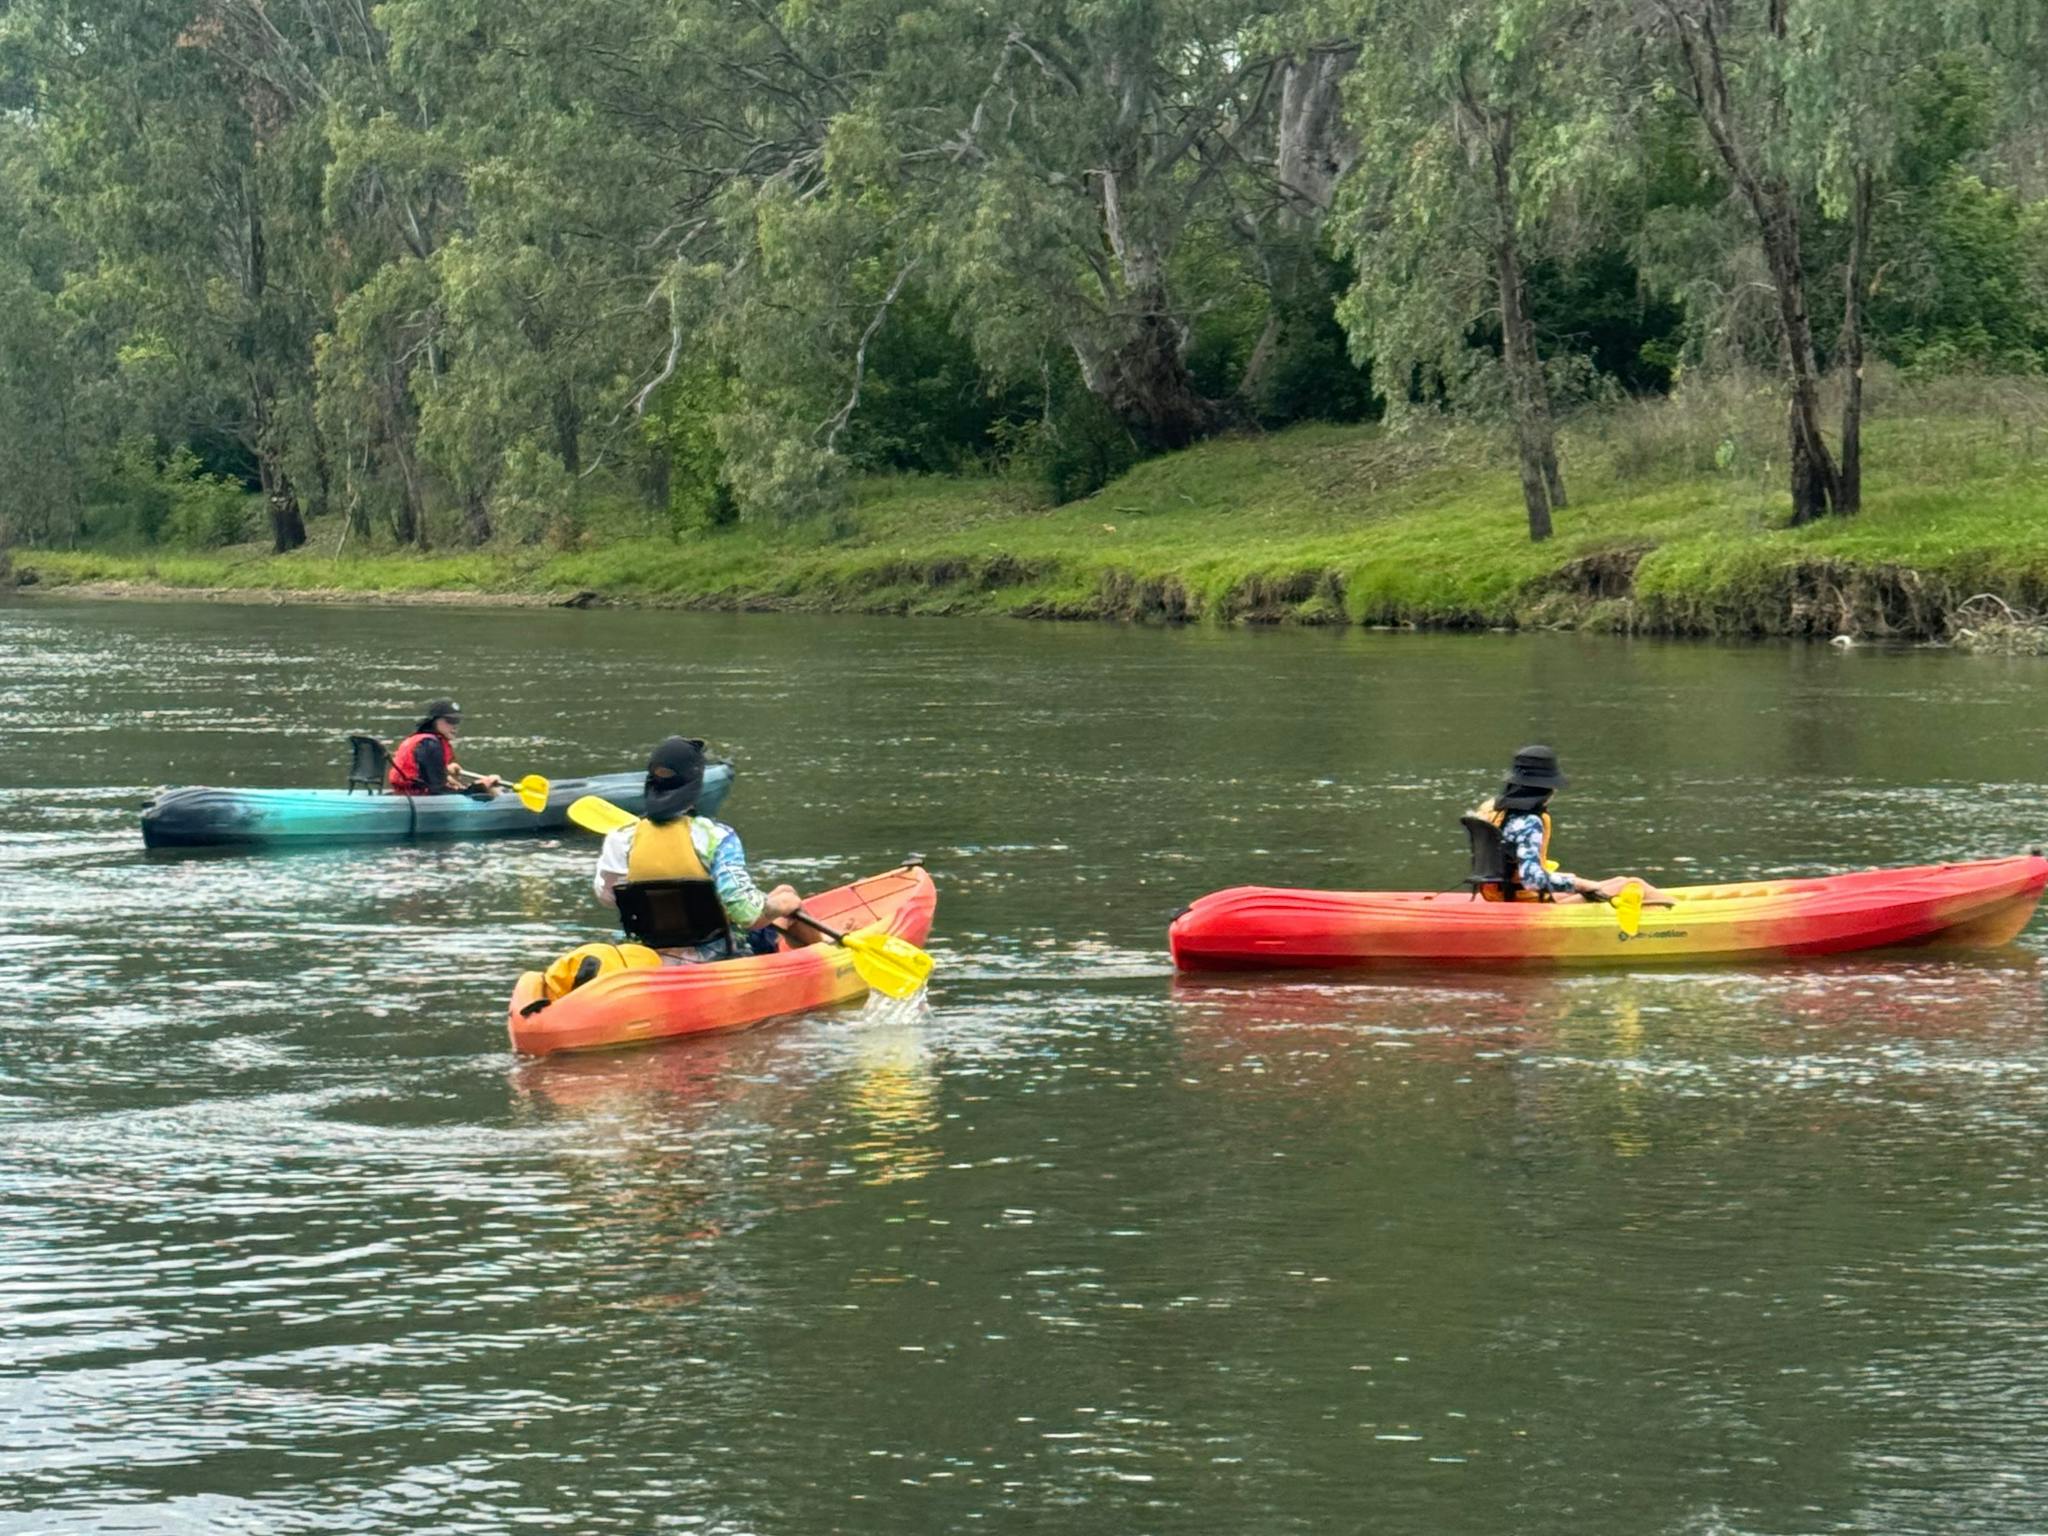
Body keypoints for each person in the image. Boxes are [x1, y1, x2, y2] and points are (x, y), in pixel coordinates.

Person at [593, 735, 814, 964]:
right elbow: (746, 913)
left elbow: (609, 897)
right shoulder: (716, 836)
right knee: (786, 897)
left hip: (649, 957)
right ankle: (827, 960)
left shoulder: (620, 838)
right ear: (696, 786)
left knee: (776, 899)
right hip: (717, 955)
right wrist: (784, 904)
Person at [1472, 745, 1671, 905]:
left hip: (1504, 896)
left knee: (1620, 881)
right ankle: (1681, 919)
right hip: (1530, 905)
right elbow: (1532, 880)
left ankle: (1675, 909)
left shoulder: (1492, 809)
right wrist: (1581, 884)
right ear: (1545, 788)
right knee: (1634, 883)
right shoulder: (1529, 822)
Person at [387, 699, 502, 797]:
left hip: (408, 795)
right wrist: (480, 787)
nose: (455, 726)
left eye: (457, 721)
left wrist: (444, 771)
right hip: (419, 800)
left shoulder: (422, 740)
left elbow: (428, 777)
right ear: (434, 720)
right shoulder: (430, 744)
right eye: (450, 721)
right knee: (487, 789)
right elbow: (438, 792)